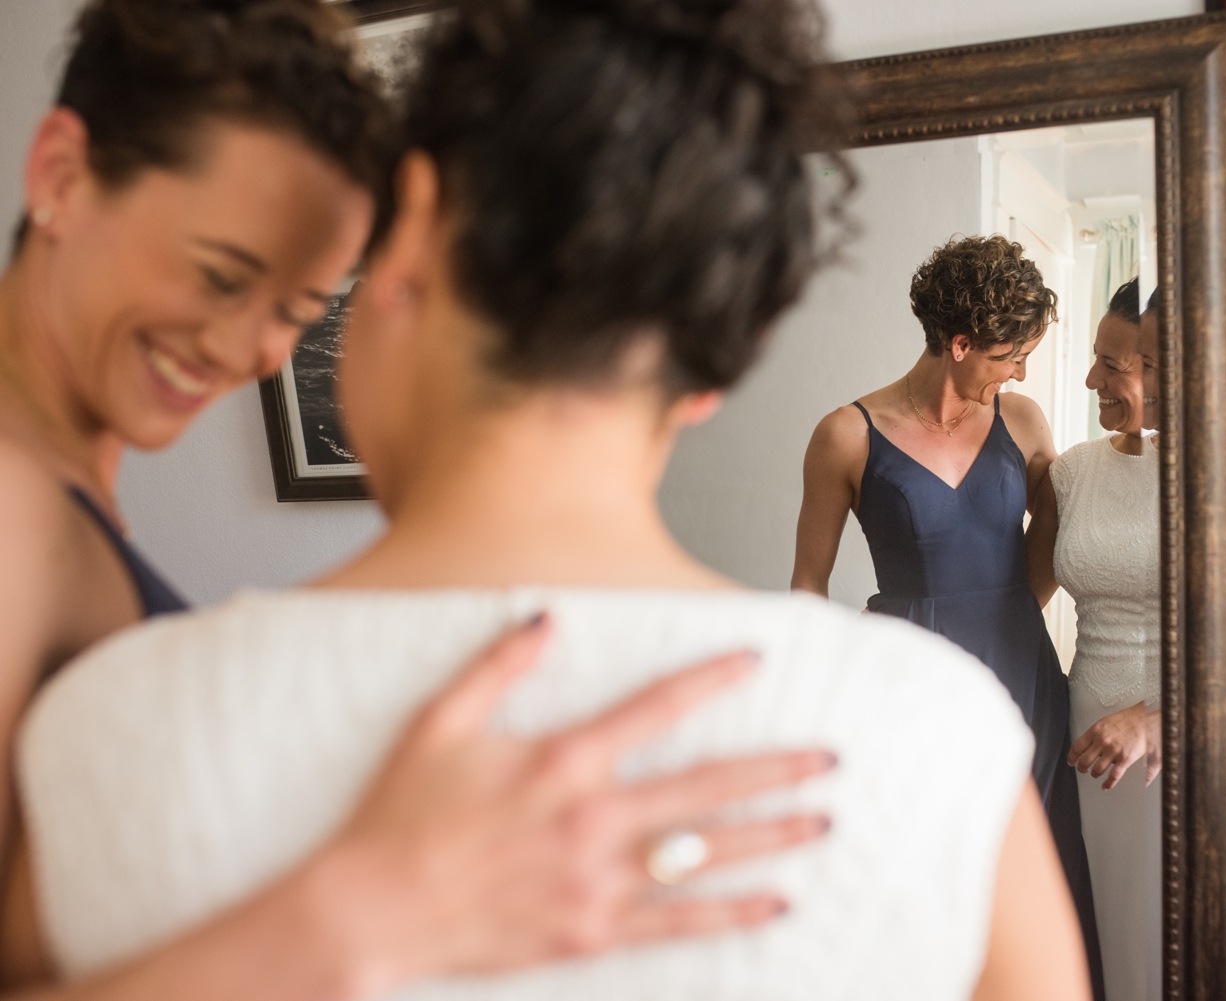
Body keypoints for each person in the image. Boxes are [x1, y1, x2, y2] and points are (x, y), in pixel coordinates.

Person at [13, 1, 1093, 999]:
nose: (263, 350)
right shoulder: (942, 743)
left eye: (303, 302)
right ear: (725, 355)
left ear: (411, 232)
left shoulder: (115, 725)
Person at [792, 234, 1105, 999]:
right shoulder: (845, 434)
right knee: (920, 877)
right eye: (1009, 355)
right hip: (904, 690)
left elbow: (1062, 538)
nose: (1021, 371)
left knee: (1036, 879)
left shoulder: (1024, 421)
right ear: (959, 343)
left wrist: (1006, 620)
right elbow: (807, 585)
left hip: (1023, 678)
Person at [1026, 277, 1163, 1001]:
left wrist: (1154, 720)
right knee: (1102, 930)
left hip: (1179, 746)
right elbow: (1015, 601)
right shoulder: (1074, 472)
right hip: (1084, 743)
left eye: (1116, 364)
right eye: (1095, 359)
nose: (1090, 379)